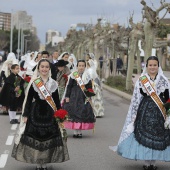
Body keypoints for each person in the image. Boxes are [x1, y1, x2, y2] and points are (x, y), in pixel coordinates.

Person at [110, 56, 170, 170]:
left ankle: (153, 163)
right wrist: (134, 115)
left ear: (158, 66)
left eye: (155, 65)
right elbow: (136, 98)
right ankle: (147, 163)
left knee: (157, 137)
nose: (152, 67)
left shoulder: (164, 80)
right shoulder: (142, 80)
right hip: (145, 111)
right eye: (150, 65)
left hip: (160, 112)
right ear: (147, 66)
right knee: (146, 136)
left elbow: (167, 98)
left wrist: (168, 113)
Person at [11, 59, 69, 170]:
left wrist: (61, 115)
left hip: (50, 114)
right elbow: (28, 100)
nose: (44, 69)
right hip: (35, 113)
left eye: (46, 67)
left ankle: (45, 163)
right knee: (36, 138)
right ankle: (38, 163)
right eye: (42, 66)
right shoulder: (34, 83)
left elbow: (57, 102)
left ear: (49, 68)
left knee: (48, 138)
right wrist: (25, 114)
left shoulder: (54, 84)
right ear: (38, 68)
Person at [63, 60, 96, 138]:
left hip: (83, 96)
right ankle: (75, 131)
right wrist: (67, 96)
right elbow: (69, 86)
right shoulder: (73, 75)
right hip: (74, 96)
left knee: (81, 113)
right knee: (74, 113)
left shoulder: (87, 76)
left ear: (85, 67)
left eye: (83, 66)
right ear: (77, 66)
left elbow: (89, 87)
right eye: (79, 66)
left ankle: (79, 131)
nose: (81, 67)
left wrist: (89, 96)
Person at [86, 53, 104, 117]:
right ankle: (98, 112)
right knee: (96, 99)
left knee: (93, 99)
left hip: (92, 86)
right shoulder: (91, 70)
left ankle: (94, 112)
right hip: (95, 85)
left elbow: (90, 79)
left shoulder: (90, 70)